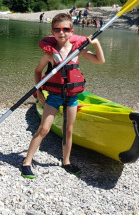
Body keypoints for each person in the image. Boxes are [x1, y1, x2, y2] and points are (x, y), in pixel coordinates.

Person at [21, 13, 105, 179]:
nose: (62, 33)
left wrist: (96, 44)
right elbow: (38, 71)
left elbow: (99, 61)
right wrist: (38, 92)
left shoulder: (78, 51)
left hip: (72, 98)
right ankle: (26, 162)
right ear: (52, 32)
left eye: (66, 29)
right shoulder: (50, 54)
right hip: (54, 96)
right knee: (44, 129)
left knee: (68, 130)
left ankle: (66, 161)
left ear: (71, 31)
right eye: (57, 29)